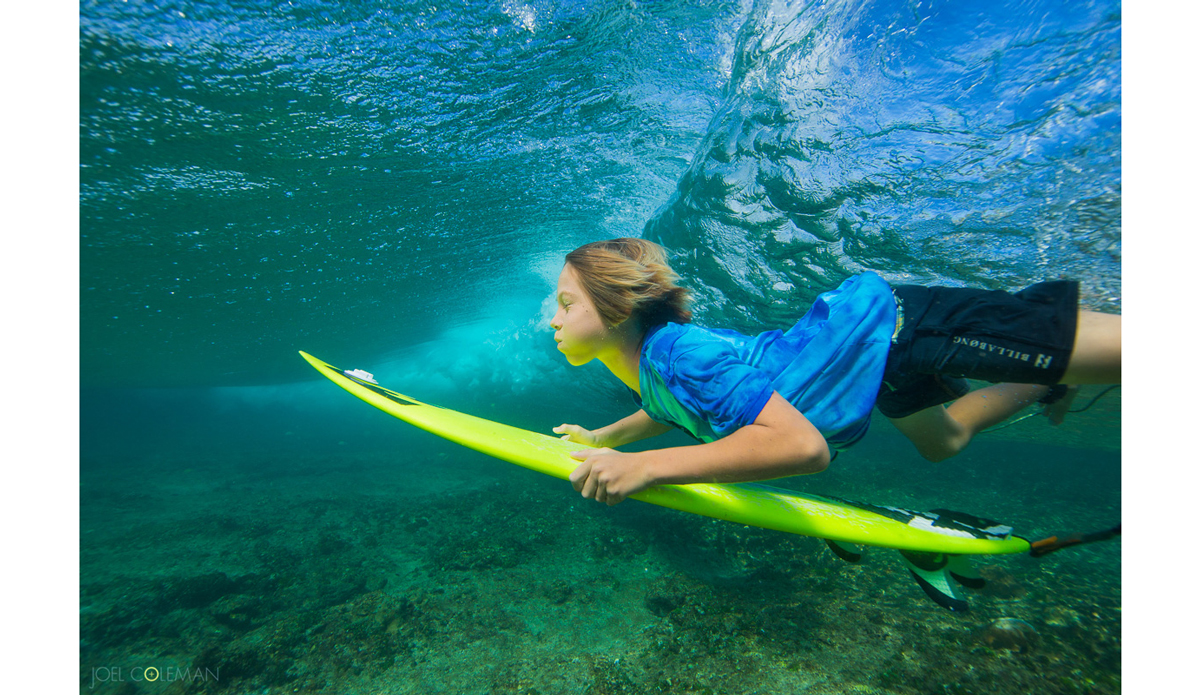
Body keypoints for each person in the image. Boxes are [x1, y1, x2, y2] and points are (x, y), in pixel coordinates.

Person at [549, 238, 1120, 506]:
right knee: (944, 441)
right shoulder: (653, 368)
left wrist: (646, 468)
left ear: (618, 309)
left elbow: (804, 447)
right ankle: (1049, 382)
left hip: (897, 328)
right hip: (874, 367)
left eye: (567, 304)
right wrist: (603, 437)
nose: (554, 319)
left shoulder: (679, 355)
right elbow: (666, 409)